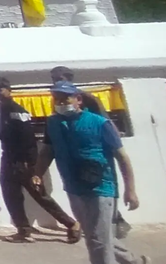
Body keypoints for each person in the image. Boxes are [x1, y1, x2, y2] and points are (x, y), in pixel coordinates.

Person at [33, 82, 149, 264]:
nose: (61, 103)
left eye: (65, 99)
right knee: (97, 236)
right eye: (57, 99)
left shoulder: (100, 124)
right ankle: (137, 263)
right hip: (74, 187)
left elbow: (122, 157)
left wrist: (130, 190)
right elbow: (48, 150)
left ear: (78, 100)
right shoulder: (53, 123)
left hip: (101, 187)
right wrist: (37, 173)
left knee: (97, 238)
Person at [0, 77, 79, 243]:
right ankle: (23, 229)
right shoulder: (2, 109)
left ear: (8, 89)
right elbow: (7, 135)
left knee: (40, 196)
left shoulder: (16, 110)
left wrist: (31, 163)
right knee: (11, 195)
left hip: (23, 161)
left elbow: (27, 137)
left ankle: (71, 224)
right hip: (8, 158)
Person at [50, 66, 130, 239]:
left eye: (60, 77)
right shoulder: (57, 100)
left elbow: (105, 120)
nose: (56, 81)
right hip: (70, 154)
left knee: (102, 190)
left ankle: (116, 220)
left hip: (95, 146)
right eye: (54, 78)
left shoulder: (86, 99)